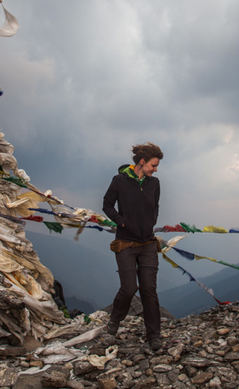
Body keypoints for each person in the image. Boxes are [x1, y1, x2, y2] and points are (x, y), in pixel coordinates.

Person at [103, 142, 164, 351]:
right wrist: (121, 222)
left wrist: (150, 223)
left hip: (148, 243)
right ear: (142, 162)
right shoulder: (119, 181)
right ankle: (113, 324)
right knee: (129, 288)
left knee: (149, 289)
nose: (155, 170)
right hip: (126, 244)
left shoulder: (154, 184)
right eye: (153, 165)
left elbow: (155, 207)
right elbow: (107, 204)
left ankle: (154, 336)